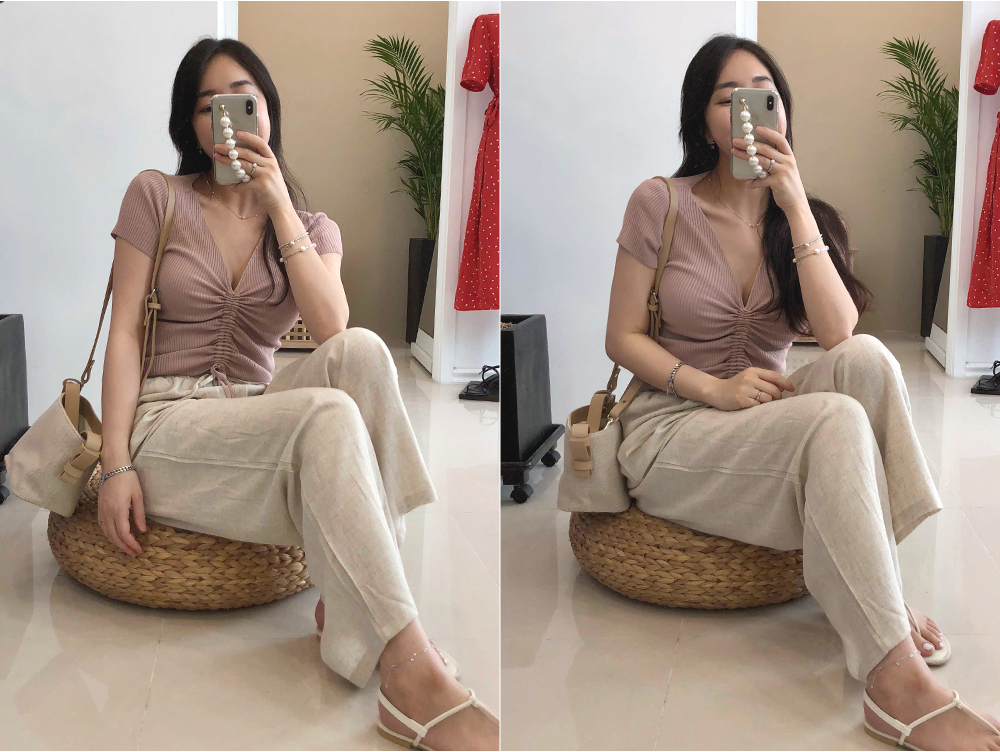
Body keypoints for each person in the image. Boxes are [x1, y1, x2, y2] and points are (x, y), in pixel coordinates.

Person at [605, 34, 1000, 751]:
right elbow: (622, 338)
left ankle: (884, 589)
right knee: (834, 421)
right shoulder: (658, 203)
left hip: (769, 410)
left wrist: (792, 204)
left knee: (869, 361)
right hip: (675, 422)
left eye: (764, 96)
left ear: (783, 112)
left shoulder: (802, 215)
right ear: (703, 122)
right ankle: (894, 680)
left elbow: (839, 333)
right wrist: (713, 389)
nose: (747, 110)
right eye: (727, 98)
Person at [101, 37, 498, 751]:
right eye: (207, 106)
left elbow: (331, 328)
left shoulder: (313, 228)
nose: (226, 119)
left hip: (256, 408)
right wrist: (115, 462)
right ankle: (409, 671)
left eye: (243, 101)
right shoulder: (156, 196)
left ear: (269, 111)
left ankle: (364, 609)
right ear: (189, 124)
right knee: (326, 415)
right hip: (168, 417)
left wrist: (278, 204)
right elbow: (125, 332)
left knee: (364, 352)